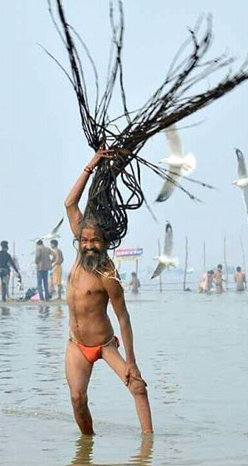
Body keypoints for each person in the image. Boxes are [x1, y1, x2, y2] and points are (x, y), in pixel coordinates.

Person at [64, 148, 153, 435]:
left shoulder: (107, 272)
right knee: (78, 400)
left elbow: (123, 317)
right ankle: (86, 448)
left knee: (137, 387)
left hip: (104, 344)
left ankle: (147, 447)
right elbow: (69, 203)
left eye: (95, 241)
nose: (89, 245)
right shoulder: (80, 254)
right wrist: (92, 163)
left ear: (105, 242)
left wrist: (132, 362)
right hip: (77, 344)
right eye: (85, 240)